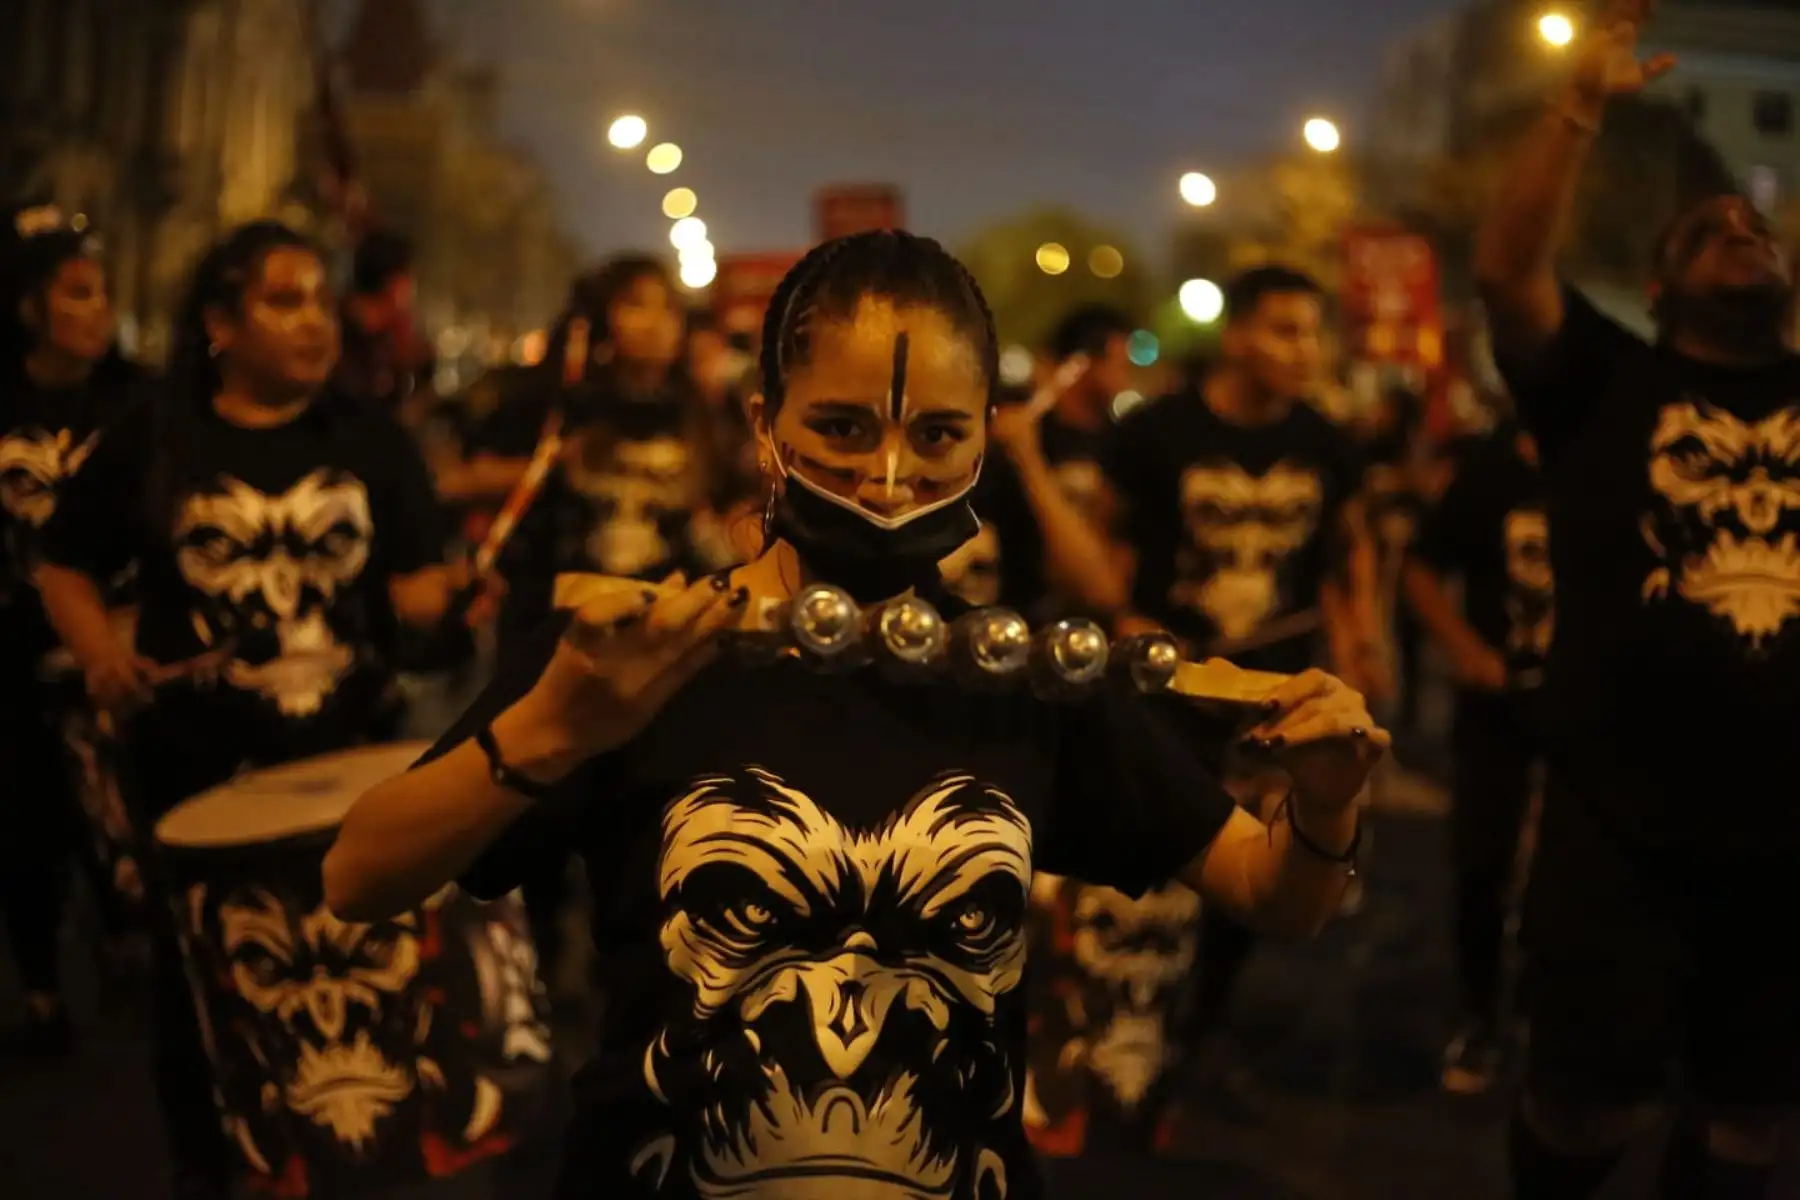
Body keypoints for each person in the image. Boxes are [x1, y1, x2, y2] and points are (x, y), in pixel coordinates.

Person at [323, 229, 1388, 1200]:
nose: (888, 477)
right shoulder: (643, 657)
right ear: (764, 425)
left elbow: (1273, 893)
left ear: (983, 438)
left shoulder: (1023, 681)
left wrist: (1328, 805)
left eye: (937, 435)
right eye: (841, 426)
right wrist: (552, 730)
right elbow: (358, 878)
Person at [34, 220, 470, 1200]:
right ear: (220, 324)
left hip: (351, 772)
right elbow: (61, 562)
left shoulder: (369, 437)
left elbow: (420, 585)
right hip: (194, 774)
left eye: (319, 300)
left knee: (368, 997)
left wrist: (440, 599)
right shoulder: (155, 435)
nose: (314, 321)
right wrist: (101, 652)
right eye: (283, 301)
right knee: (205, 1006)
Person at [1475, 3, 1800, 1197]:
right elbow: (1507, 269)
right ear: (1658, 288)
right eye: (1708, 229)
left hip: (1790, 844)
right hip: (1618, 835)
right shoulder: (1601, 383)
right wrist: (1577, 106)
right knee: (1581, 1109)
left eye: (1754, 225)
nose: (1739, 226)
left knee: (1750, 1124)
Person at [1102, 264, 1384, 1080]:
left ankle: (1205, 1017)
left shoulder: (1325, 442)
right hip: (1175, 684)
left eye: (1313, 333)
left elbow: (1348, 550)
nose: (1305, 350)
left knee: (1266, 853)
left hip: (1275, 690)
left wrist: (1362, 641)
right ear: (1237, 335)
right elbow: (1109, 539)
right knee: (1169, 853)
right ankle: (1135, 1020)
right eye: (1284, 330)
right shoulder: (1157, 433)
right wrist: (1120, 619)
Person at [464, 256, 721, 996]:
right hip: (559, 650)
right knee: (543, 821)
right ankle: (543, 976)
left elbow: (722, 512)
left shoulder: (698, 412)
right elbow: (469, 481)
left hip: (664, 656)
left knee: (651, 829)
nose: (656, 324)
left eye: (667, 308)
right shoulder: (556, 404)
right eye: (636, 306)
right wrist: (545, 464)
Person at [0, 208, 145, 1056]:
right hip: (15, 648)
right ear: (30, 306)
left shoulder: (135, 401)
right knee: (26, 819)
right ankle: (42, 989)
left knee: (120, 812)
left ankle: (123, 936)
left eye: (103, 294)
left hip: (116, 639)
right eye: (78, 294)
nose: (98, 311)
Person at [1403, 417, 1550, 1095]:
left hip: (1590, 710)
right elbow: (1421, 570)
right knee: (1482, 863)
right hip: (1498, 705)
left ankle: (1548, 1014)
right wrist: (1466, 650)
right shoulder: (1491, 469)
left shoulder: (1617, 453)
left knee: (1575, 869)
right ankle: (1482, 1017)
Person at [955, 304, 1136, 623]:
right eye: (1119, 362)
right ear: (1081, 364)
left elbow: (1105, 590)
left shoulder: (1120, 446)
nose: (1126, 375)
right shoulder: (1014, 429)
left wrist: (1029, 459)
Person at [335, 227, 433, 424]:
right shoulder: (346, 338)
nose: (411, 289)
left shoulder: (393, 334)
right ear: (393, 283)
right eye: (408, 278)